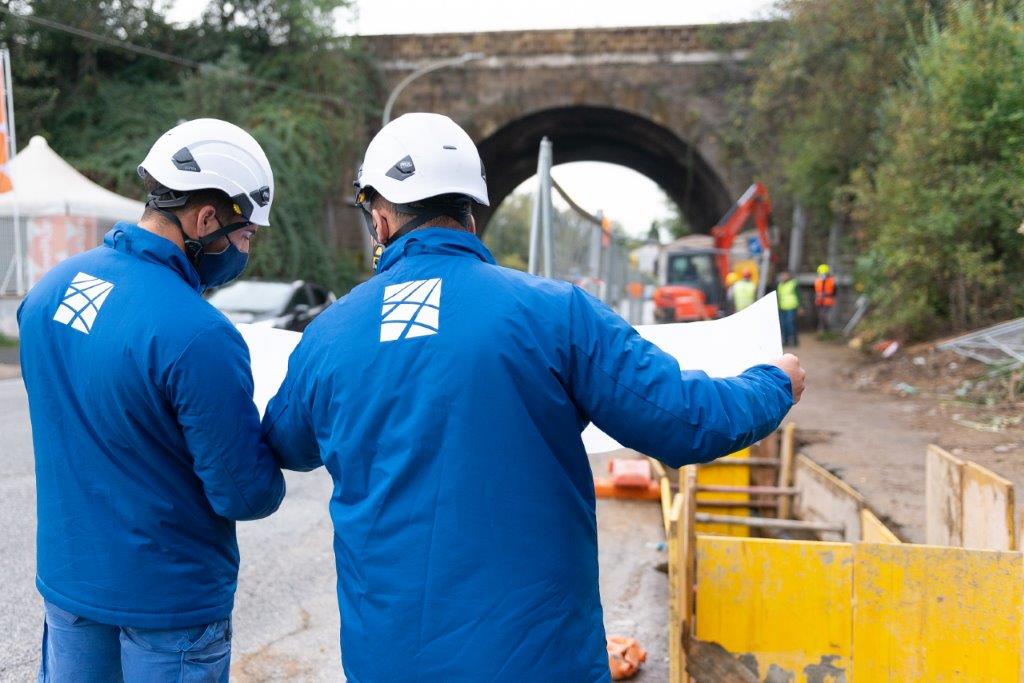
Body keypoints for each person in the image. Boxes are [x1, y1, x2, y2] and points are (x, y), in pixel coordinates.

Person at [262, 112, 806, 681]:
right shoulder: (555, 313)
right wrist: (773, 383)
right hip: (538, 661)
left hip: (389, 664)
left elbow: (284, 445)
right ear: (472, 213)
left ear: (379, 217)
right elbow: (687, 421)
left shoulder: (329, 335)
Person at [18, 118, 284, 682]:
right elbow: (244, 493)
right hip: (169, 602)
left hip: (71, 581)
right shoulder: (199, 333)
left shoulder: (48, 292)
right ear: (206, 218)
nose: (244, 249)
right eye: (245, 235)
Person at [776, 270, 800, 347]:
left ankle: (794, 341)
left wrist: (800, 307)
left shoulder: (793, 284)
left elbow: (799, 295)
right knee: (783, 325)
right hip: (782, 307)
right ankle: (785, 341)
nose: (783, 277)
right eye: (782, 275)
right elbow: (778, 296)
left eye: (785, 275)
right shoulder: (780, 285)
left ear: (789, 276)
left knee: (790, 324)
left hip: (791, 307)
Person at [814, 263, 837, 333]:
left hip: (827, 301)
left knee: (824, 315)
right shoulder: (817, 281)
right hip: (819, 301)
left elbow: (835, 292)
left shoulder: (831, 281)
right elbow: (815, 291)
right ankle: (823, 329)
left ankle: (826, 329)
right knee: (821, 316)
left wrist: (826, 294)